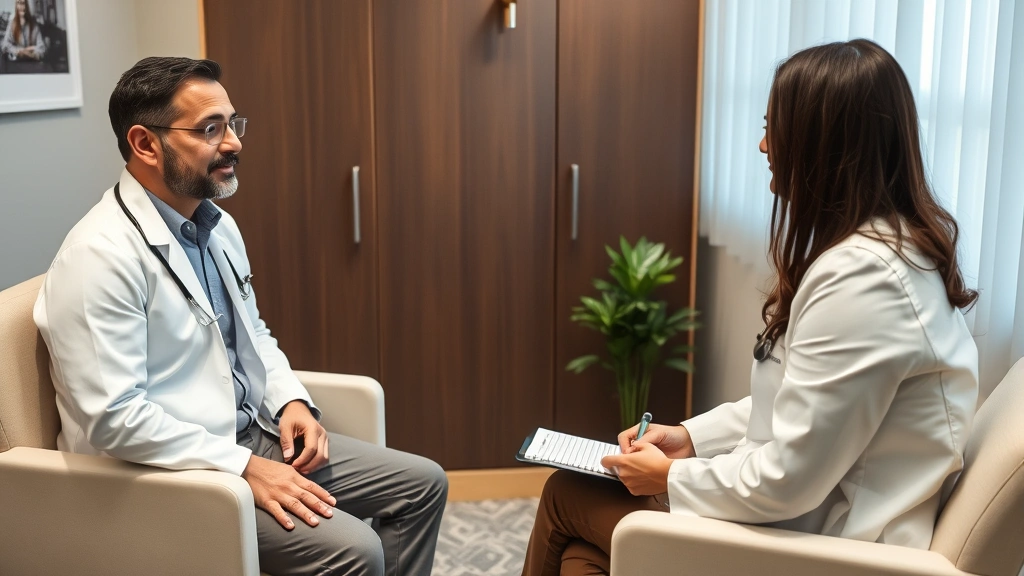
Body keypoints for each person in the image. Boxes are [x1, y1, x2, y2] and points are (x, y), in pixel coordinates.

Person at [521, 38, 979, 576]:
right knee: (586, 558)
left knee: (566, 497)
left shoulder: (864, 281)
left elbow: (789, 477)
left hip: (832, 550)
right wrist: (690, 439)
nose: (764, 145)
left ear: (823, 147)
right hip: (803, 521)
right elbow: (801, 397)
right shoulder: (885, 254)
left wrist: (668, 480)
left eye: (775, 128)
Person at [34, 57, 447, 576]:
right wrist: (246, 467)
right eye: (210, 129)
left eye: (232, 123)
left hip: (248, 434)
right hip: (161, 473)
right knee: (356, 549)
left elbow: (251, 333)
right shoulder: (98, 257)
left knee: (422, 484)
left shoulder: (216, 226)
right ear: (145, 144)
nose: (234, 143)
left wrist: (291, 398)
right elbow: (114, 418)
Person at [1, 0, 46, 65]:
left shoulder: (34, 24)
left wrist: (32, 54)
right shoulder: (12, 24)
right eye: (19, 3)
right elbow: (5, 45)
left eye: (24, 3)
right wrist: (20, 51)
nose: (22, 6)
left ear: (27, 6)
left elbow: (42, 47)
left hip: (32, 63)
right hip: (17, 63)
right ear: (16, 6)